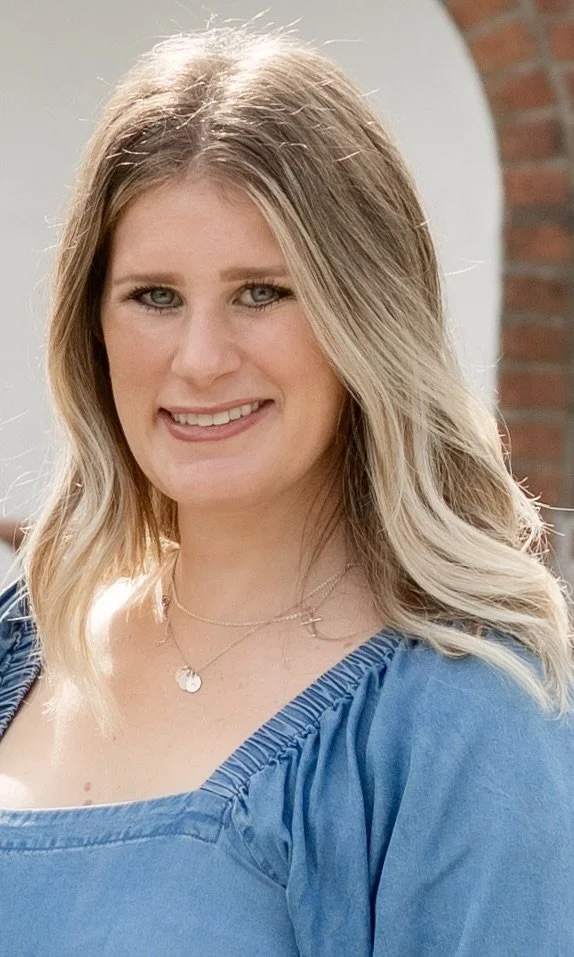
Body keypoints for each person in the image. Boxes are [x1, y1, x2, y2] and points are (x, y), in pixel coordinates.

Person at [0, 25, 572, 956]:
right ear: (91, 327)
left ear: (365, 316)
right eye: (154, 295)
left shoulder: (466, 722)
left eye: (262, 292)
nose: (200, 359)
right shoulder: (24, 644)